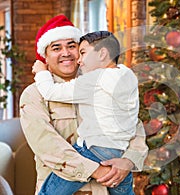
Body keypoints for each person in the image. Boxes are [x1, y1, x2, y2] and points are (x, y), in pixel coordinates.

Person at [19, 14, 148, 195]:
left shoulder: (106, 84)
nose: (66, 53)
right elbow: (47, 145)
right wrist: (97, 170)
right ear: (45, 57)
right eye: (56, 48)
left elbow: (132, 125)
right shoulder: (34, 95)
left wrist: (128, 161)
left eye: (72, 46)